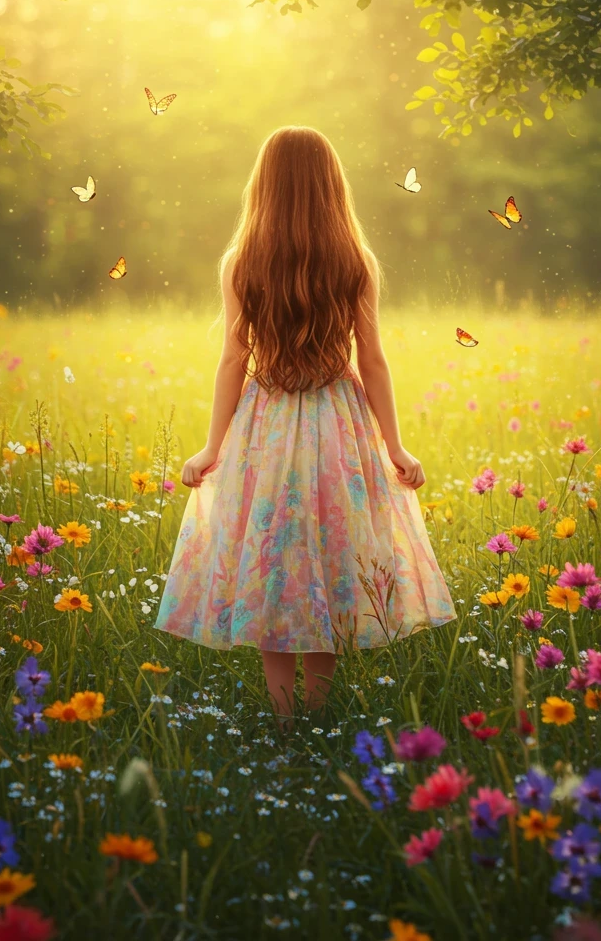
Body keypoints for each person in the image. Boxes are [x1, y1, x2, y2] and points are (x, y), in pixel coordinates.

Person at [155, 126, 455, 724]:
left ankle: (284, 717)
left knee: (275, 564)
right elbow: (371, 360)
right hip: (337, 422)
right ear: (330, 185)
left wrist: (215, 446)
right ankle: (315, 712)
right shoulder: (354, 259)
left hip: (264, 425)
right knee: (330, 559)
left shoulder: (242, 261)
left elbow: (233, 359)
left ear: (263, 185)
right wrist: (393, 445)